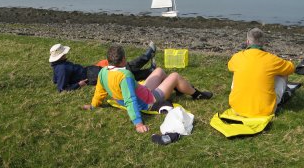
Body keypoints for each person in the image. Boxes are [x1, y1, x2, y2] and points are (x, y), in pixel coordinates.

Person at [83, 45, 213, 133]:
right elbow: (130, 100)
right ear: (123, 59)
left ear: (108, 60)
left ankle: (179, 88)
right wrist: (138, 123)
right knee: (175, 76)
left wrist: (94, 105)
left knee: (159, 71)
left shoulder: (103, 71)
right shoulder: (124, 76)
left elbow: (99, 90)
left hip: (141, 92)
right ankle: (197, 94)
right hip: (149, 101)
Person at [228, 28, 295, 117]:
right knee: (283, 73)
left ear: (247, 42)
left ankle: (242, 101)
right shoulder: (271, 59)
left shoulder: (237, 57)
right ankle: (276, 100)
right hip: (264, 112)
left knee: (237, 71)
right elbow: (290, 68)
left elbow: (230, 66)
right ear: (263, 42)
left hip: (237, 109)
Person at [49, 42, 156, 92]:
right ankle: (147, 59)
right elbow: (61, 89)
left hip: (90, 71)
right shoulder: (61, 68)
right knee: (120, 71)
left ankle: (149, 69)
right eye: (64, 53)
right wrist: (78, 84)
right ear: (60, 56)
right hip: (91, 76)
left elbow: (56, 80)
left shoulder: (58, 66)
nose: (65, 54)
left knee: (121, 71)